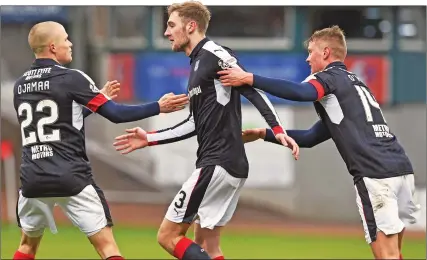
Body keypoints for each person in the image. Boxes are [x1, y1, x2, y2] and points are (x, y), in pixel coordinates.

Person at [112, 2, 299, 260]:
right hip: (226, 163)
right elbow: (193, 124)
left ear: (191, 26)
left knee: (167, 236)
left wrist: (276, 128)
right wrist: (149, 139)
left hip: (218, 163)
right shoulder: (197, 64)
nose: (166, 32)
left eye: (171, 25)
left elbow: (250, 86)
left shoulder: (214, 53)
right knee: (208, 248)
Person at [217, 25, 420, 260]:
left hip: (375, 173)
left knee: (386, 256)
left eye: (311, 51)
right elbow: (311, 137)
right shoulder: (355, 85)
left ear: (325, 53)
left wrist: (249, 78)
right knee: (395, 253)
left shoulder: (329, 78)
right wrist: (264, 133)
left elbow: (303, 93)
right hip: (401, 170)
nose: (307, 58)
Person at [12, 21, 188, 260]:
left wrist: (98, 100)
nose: (70, 43)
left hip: (32, 179)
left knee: (26, 247)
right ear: (53, 47)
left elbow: (63, 120)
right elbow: (115, 114)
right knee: (107, 247)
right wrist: (159, 107)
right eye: (66, 38)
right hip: (70, 177)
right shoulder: (72, 78)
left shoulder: (20, 85)